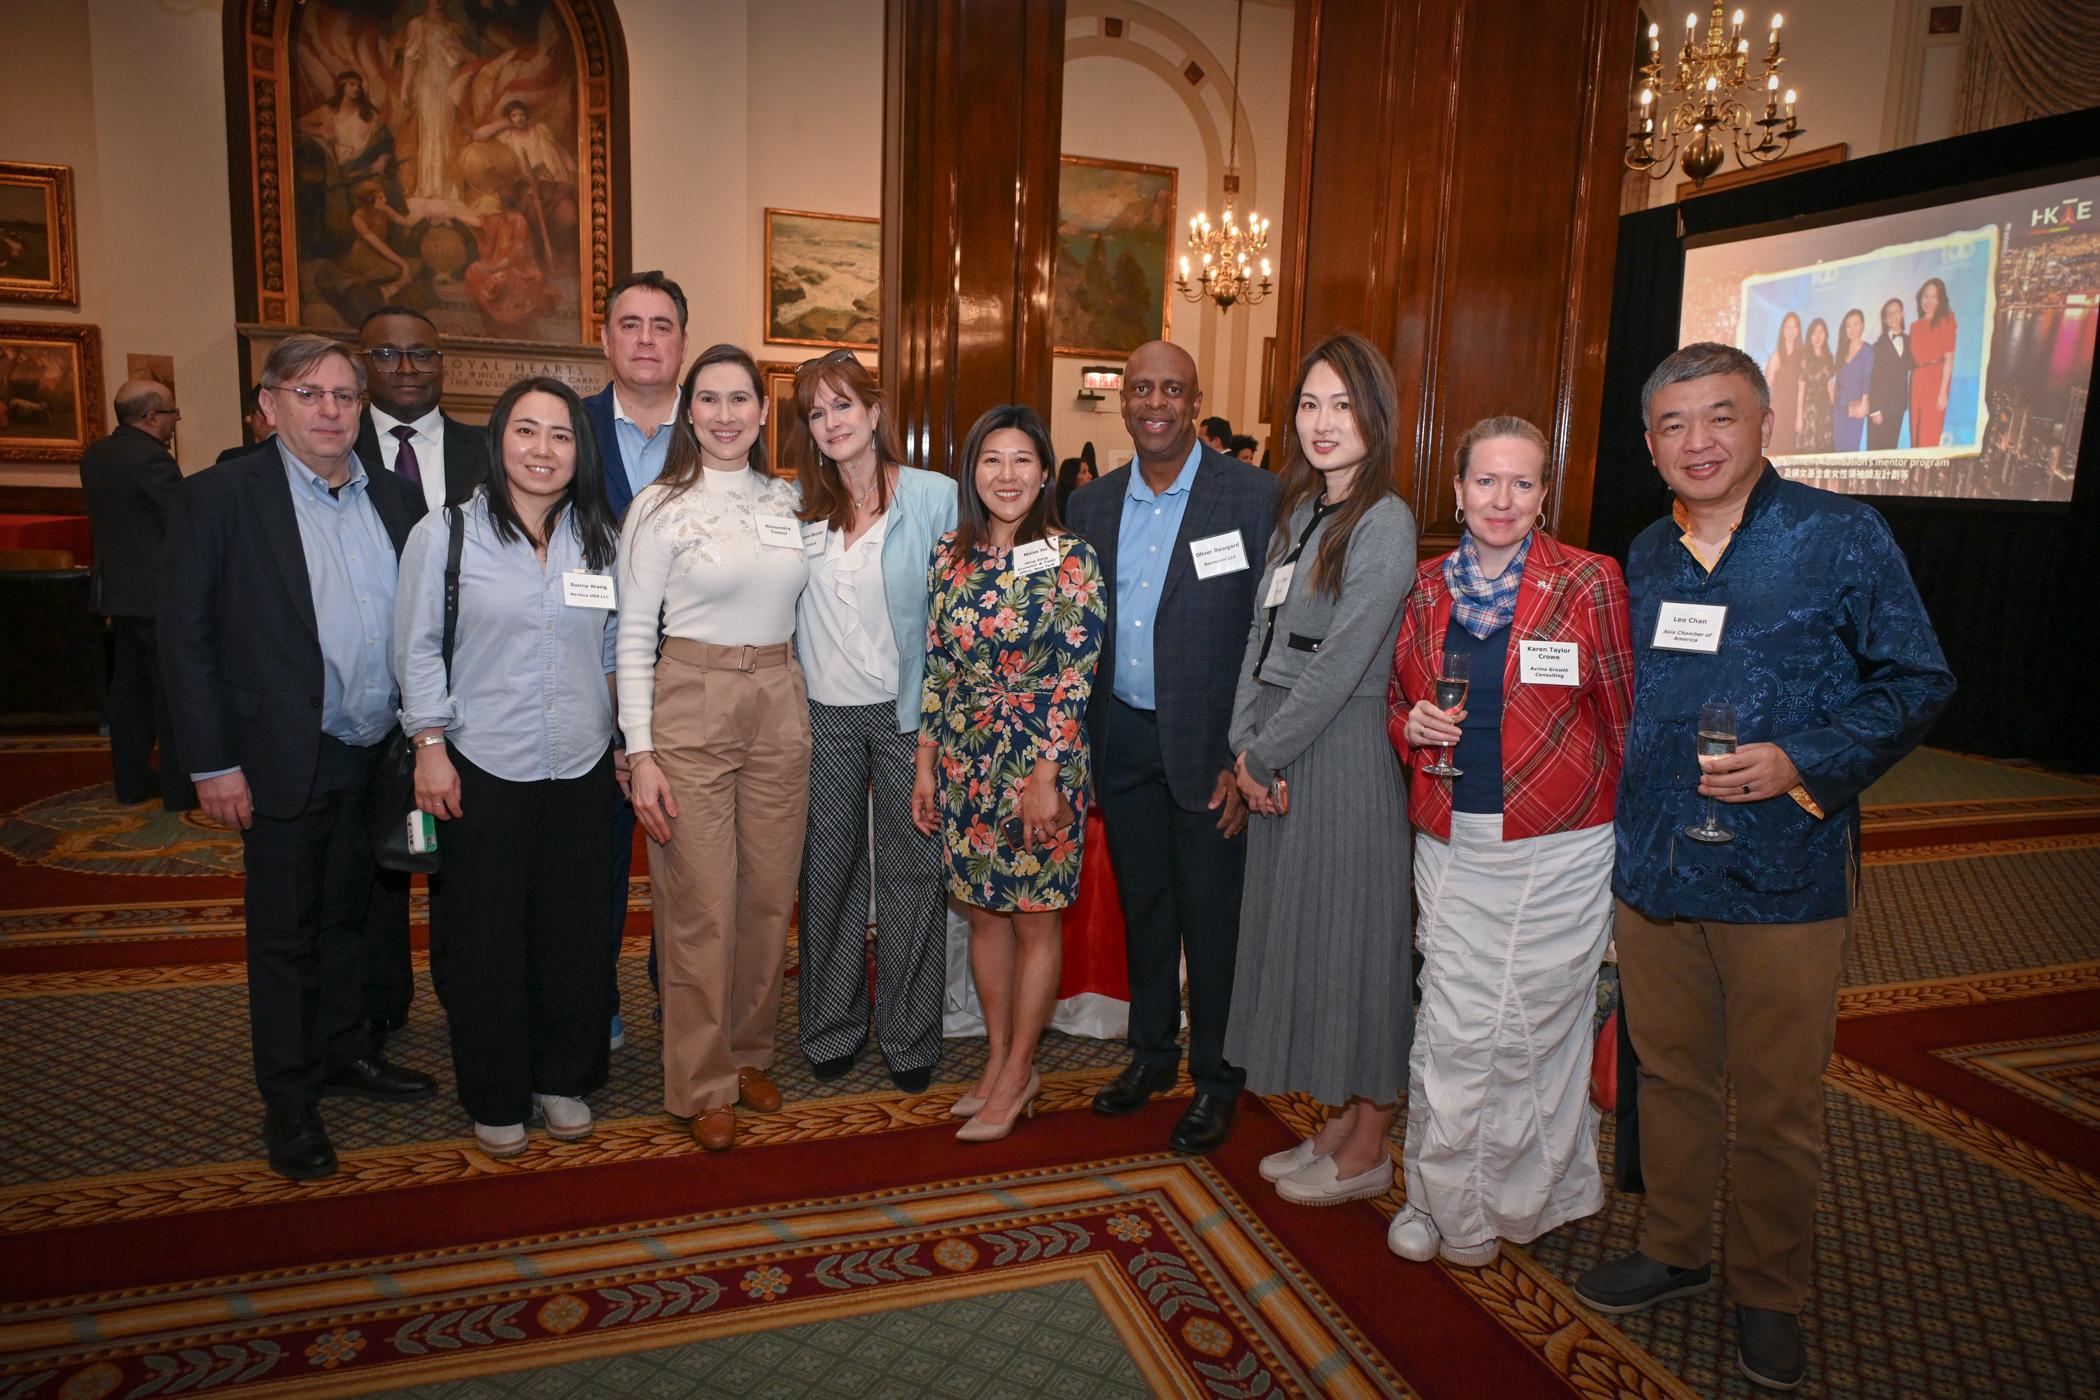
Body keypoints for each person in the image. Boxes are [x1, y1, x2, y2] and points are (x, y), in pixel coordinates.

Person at [1573, 342, 1954, 1392]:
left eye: (1720, 416)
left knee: (1780, 1099)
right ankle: (1677, 1243)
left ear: (1766, 423)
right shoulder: (1643, 555)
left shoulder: (1839, 536)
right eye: (1675, 425)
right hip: (1654, 867)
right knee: (1673, 1076)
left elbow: (1918, 678)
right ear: (1650, 446)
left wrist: (1806, 758)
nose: (1699, 441)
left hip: (1784, 873)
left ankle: (1770, 1289)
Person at [159, 336, 438, 1183]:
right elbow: (187, 641)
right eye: (310, 394)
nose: (330, 411)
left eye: (346, 396)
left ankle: (347, 1051)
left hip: (372, 749)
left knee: (353, 915)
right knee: (284, 933)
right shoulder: (219, 498)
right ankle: (288, 1095)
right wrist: (211, 764)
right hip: (278, 753)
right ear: (269, 404)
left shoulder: (394, 499)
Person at [1384, 415, 1633, 1268]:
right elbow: (1393, 703)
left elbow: (1623, 714)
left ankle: (1529, 1192)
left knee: (1534, 1028)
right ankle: (1438, 1193)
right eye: (1485, 481)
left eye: (1521, 483)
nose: (1502, 499)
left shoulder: (1589, 581)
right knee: (1453, 1025)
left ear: (1543, 494)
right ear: (1455, 492)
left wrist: (1633, 849)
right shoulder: (1422, 590)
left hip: (1563, 845)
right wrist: (1410, 723)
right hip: (1453, 838)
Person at [395, 376, 621, 1158]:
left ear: (578, 451)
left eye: (560, 435)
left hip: (584, 767)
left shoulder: (599, 537)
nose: (542, 450)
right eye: (526, 431)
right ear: (498, 441)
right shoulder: (447, 534)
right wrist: (429, 746)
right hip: (479, 764)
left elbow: (615, 648)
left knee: (576, 933)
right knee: (484, 937)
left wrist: (629, 740)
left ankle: (561, 1079)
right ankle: (495, 1091)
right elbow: (418, 646)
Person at [1066, 339, 1277, 1156]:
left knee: (1211, 918)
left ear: (1195, 402)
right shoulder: (1092, 505)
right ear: (1124, 400)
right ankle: (1151, 1054)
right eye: (1142, 388)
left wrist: (1250, 753)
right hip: (1121, 740)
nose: (1156, 402)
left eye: (1173, 390)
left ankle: (1218, 1077)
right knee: (1144, 907)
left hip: (1213, 753)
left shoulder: (1253, 497)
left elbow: (1269, 638)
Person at [1227, 332, 1416, 1206]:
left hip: (1338, 758)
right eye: (1309, 404)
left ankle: (1371, 1135)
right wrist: (1243, 743)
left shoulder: (1385, 521)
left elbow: (1342, 663)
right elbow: (1261, 640)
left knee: (1356, 948)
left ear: (1374, 415)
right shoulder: (1302, 512)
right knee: (1307, 942)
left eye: (1342, 404)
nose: (1323, 422)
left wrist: (1264, 752)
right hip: (1280, 751)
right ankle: (1340, 1119)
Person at [619, 343, 810, 1153]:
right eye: (710, 400)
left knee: (768, 898)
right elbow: (631, 636)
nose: (726, 414)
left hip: (778, 696)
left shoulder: (793, 500)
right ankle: (700, 1080)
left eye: (741, 400)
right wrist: (639, 752)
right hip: (689, 700)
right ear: (687, 412)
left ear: (764, 414)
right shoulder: (658, 507)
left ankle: (747, 1052)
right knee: (701, 904)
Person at [912, 404, 1105, 1144]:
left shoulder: (1071, 557)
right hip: (964, 758)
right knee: (984, 913)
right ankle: (997, 1062)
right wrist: (927, 765)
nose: (1007, 474)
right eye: (992, 459)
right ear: (973, 472)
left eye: (1022, 460)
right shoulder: (949, 555)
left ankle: (1022, 1069)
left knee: (1034, 916)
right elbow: (938, 666)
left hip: (1038, 764)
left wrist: (1045, 775)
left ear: (1045, 472)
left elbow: (1075, 677)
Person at [788, 352, 958, 1093]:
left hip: (904, 717)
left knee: (913, 875)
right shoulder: (795, 506)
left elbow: (955, 618)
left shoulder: (935, 497)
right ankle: (831, 1026)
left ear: (875, 411)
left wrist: (937, 727)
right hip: (820, 713)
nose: (831, 423)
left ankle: (911, 1034)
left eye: (843, 406)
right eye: (817, 412)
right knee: (827, 873)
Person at [353, 303, 491, 1039]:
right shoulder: (338, 452)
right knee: (377, 860)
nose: (406, 369)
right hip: (371, 692)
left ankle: (463, 993)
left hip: (476, 694)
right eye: (386, 354)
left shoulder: (491, 449)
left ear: (445, 363)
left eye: (422, 355)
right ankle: (379, 1009)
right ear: (362, 364)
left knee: (464, 860)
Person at [582, 270, 692, 1051]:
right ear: (607, 338)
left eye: (662, 325)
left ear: (682, 342)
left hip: (695, 686)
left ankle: (679, 1002)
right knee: (591, 866)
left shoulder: (722, 424)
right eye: (631, 324)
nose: (646, 339)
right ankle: (593, 1004)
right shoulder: (568, 427)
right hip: (587, 681)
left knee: (691, 862)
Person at [80, 379, 192, 810]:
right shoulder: (152, 460)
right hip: (159, 597)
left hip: (118, 595)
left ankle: (130, 781)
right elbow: (182, 523)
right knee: (171, 694)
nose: (176, 419)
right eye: (171, 412)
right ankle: (179, 790)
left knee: (129, 694)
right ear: (149, 417)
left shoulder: (96, 456)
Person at [1909, 277, 1957, 449]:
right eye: (1925, 296)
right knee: (1915, 432)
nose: (1928, 301)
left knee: (1928, 435)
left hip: (1936, 378)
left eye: (1933, 296)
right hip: (1917, 379)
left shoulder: (1947, 320)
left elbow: (1949, 358)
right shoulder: (1915, 326)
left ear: (1940, 300)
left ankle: (1926, 474)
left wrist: (1943, 391)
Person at [1865, 297, 1911, 451]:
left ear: (1902, 313)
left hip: (1898, 406)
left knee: (1891, 450)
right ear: (1884, 319)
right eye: (1888, 314)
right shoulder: (1877, 347)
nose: (1893, 316)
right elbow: (1872, 379)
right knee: (1876, 452)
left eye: (1896, 311)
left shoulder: (1910, 341)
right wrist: (1875, 410)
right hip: (1881, 409)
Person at [1831, 308, 1872, 454]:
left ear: (1862, 326)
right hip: (1839, 409)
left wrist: (1864, 404)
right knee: (1838, 451)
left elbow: (1868, 379)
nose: (1852, 329)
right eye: (1849, 325)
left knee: (1851, 451)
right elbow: (1834, 380)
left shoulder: (1867, 350)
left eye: (1856, 324)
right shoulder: (1841, 351)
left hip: (1856, 407)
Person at [1762, 312, 1802, 455]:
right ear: (1782, 330)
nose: (1791, 331)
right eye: (1788, 327)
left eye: (1794, 327)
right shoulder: (1776, 355)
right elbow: (1768, 388)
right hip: (1779, 410)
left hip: (1795, 410)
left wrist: (1800, 415)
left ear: (1798, 330)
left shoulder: (1802, 355)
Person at [1796, 319, 1834, 454]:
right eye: (1814, 333)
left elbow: (1830, 385)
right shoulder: (1805, 358)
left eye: (1821, 332)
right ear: (1809, 337)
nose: (1818, 337)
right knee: (1809, 449)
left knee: (1825, 449)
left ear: (1826, 334)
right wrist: (1799, 418)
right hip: (1809, 410)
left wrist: (1834, 410)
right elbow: (1801, 389)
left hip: (1825, 410)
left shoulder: (1829, 357)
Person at [1053, 455, 1094, 519]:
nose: (1090, 476)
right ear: (1072, 477)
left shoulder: (1090, 501)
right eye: (1084, 472)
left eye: (1088, 471)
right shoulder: (1058, 507)